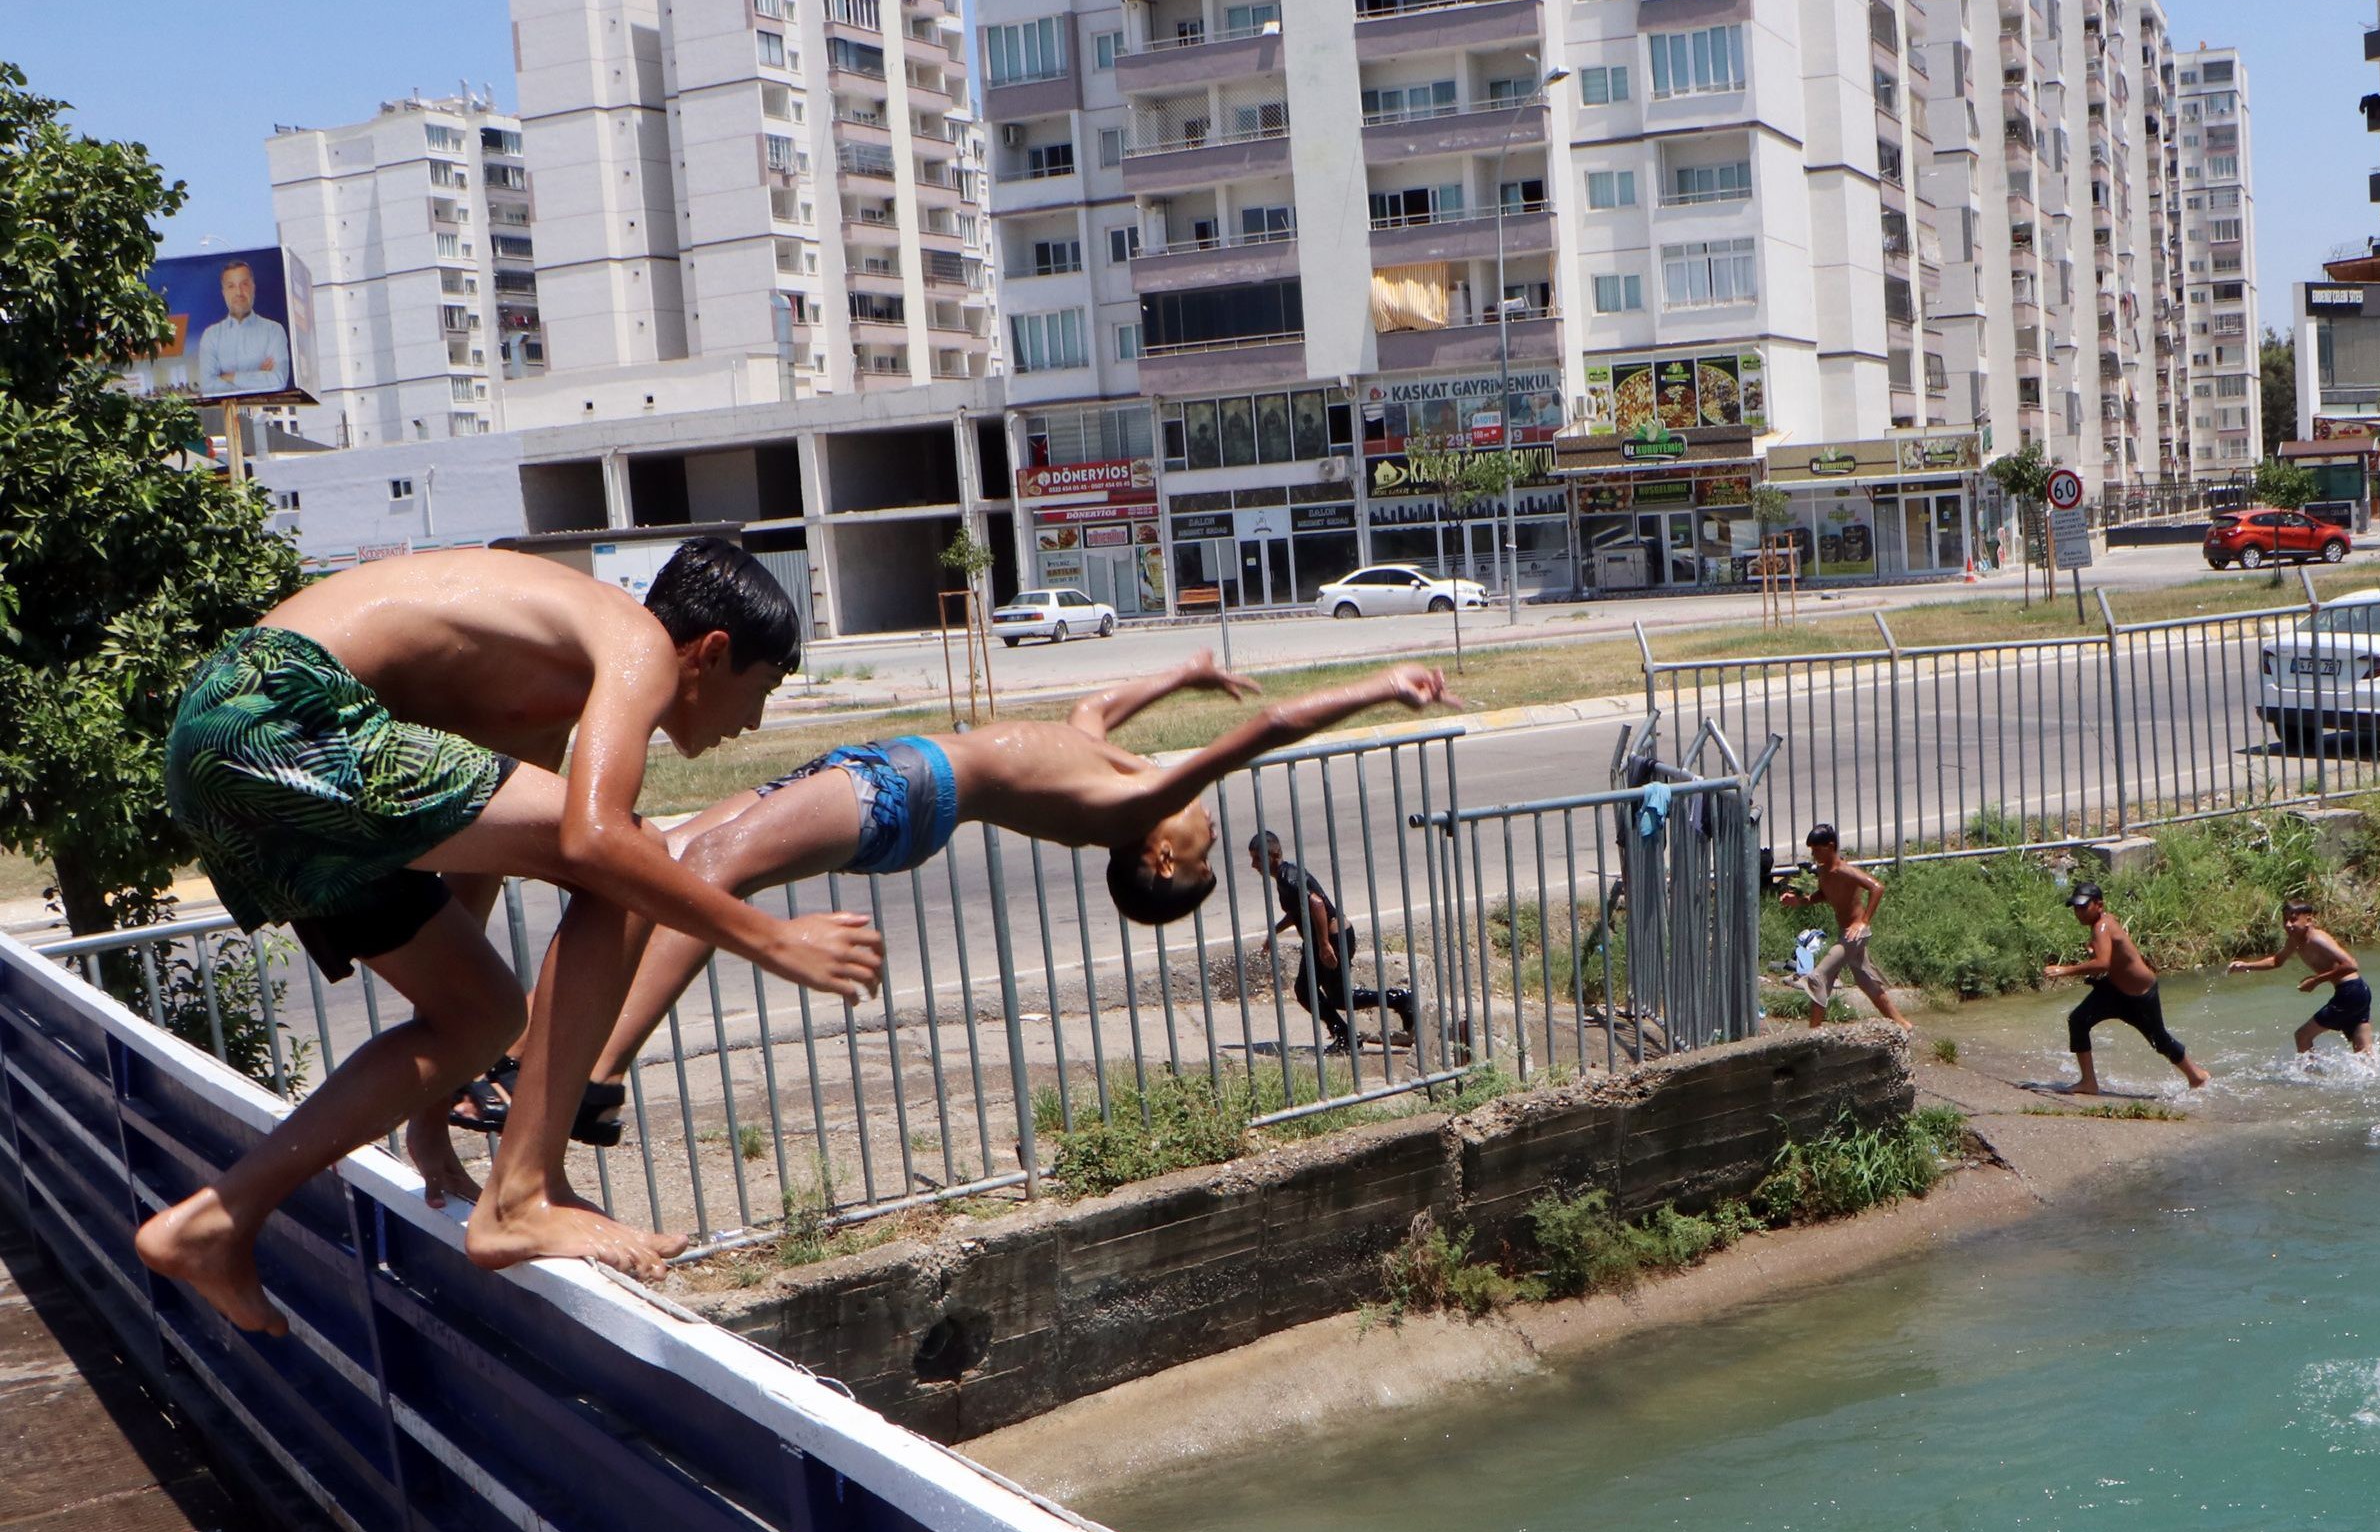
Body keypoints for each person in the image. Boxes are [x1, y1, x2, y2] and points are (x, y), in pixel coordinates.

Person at [134, 541, 885, 1335]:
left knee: (479, 1015)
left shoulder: (537, 687)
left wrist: (434, 1113)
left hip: (221, 743)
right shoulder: (635, 640)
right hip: (282, 712)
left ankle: (213, 1225)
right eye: (760, 691)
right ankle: (522, 1197)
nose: (755, 722)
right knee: (633, 855)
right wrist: (771, 940)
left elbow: (471, 879)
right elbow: (597, 842)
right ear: (711, 651)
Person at [456, 654, 1455, 1140]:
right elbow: (1097, 705)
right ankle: (522, 1051)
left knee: (709, 866)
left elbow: (1276, 722)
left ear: (1156, 860)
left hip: (910, 791)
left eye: (1197, 855)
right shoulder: (1113, 761)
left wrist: (1379, 685)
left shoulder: (1133, 799)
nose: (1205, 823)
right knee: (661, 846)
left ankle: (593, 1074)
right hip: (886, 761)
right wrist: (1187, 669)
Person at [1247, 830, 1417, 1055]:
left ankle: (1399, 999)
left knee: (1337, 996)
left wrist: (1325, 944)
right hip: (1319, 941)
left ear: (1275, 854)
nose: (1254, 865)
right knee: (1306, 990)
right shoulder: (1284, 877)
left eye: (1258, 858)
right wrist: (1275, 932)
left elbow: (1316, 904)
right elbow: (1298, 910)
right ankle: (1344, 1033)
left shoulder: (1288, 878)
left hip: (1333, 939)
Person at [2042, 884, 2209, 1095]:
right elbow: (2109, 959)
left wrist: (2063, 970)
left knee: (2159, 1040)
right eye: (2075, 908)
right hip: (2114, 989)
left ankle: (2197, 1076)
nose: (2078, 913)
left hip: (2139, 995)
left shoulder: (2102, 926)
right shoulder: (2103, 924)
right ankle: (2088, 1082)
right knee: (2078, 1020)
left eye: (2083, 907)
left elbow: (2102, 963)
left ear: (2099, 905)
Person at [1776, 823, 1909, 1029]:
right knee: (1867, 984)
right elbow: (1822, 894)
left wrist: (1863, 922)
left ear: (1830, 846)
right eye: (1812, 851)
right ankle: (1904, 1025)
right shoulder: (1823, 870)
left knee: (1818, 977)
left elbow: (1877, 887)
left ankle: (1813, 1034)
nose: (1814, 855)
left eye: (1817, 850)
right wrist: (1800, 901)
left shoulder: (1845, 870)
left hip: (1855, 935)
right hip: (1844, 932)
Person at [2225, 898, 2372, 1056]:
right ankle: (2375, 1079)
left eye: (2293, 920)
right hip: (2358, 992)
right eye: (2285, 920)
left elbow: (2351, 964)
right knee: (2364, 1054)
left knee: (2302, 1036)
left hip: (2350, 992)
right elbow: (2276, 961)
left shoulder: (2317, 939)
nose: (2288, 925)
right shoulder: (2294, 941)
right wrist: (2247, 966)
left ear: (2308, 920)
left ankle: (2312, 1077)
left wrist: (2315, 981)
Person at [191, 258, 292, 397]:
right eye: (231, 286)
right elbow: (208, 387)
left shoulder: (274, 331)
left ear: (253, 287)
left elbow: (278, 381)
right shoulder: (211, 336)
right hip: (225, 413)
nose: (239, 292)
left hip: (267, 413)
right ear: (223, 292)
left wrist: (230, 377)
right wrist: (258, 378)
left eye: (244, 284)